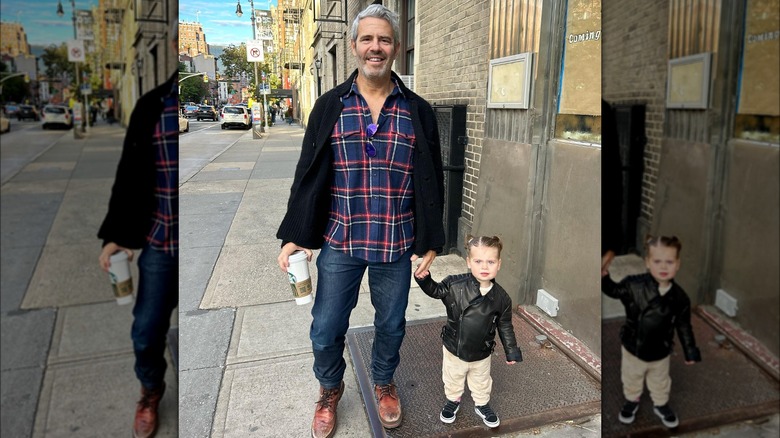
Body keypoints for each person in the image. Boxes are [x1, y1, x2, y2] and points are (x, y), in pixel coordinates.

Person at [276, 4, 444, 437]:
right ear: (353, 46)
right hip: (340, 241)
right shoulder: (330, 106)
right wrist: (295, 235)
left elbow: (430, 179)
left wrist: (431, 239)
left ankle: (384, 381)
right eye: (367, 39)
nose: (376, 47)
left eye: (384, 39)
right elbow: (307, 173)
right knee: (326, 326)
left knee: (391, 324)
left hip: (395, 241)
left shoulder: (418, 111)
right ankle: (330, 389)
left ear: (397, 47)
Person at [97, 65, 178, 437]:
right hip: (161, 243)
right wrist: (117, 234)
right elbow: (128, 174)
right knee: (145, 332)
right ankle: (150, 389)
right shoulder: (152, 106)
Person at [414, 235, 522, 427]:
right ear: (469, 262)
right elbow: (436, 291)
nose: (484, 266)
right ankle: (453, 400)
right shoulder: (455, 284)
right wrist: (424, 280)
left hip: (482, 351)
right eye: (478, 261)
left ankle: (482, 404)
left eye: (490, 261)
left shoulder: (502, 298)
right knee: (453, 377)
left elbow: (505, 325)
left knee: (481, 380)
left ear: (499, 264)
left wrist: (511, 350)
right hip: (454, 346)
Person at [602, 235, 701, 429]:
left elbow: (684, 326)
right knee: (632, 377)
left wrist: (691, 351)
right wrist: (604, 278)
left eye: (669, 262)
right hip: (634, 347)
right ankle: (632, 400)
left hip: (660, 350)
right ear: (648, 262)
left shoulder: (680, 298)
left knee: (660, 380)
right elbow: (614, 291)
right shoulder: (634, 284)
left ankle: (661, 404)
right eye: (657, 261)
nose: (663, 267)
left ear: (677, 264)